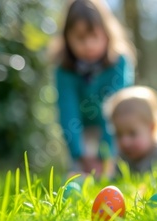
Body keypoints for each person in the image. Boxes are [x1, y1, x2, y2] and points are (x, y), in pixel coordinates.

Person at [49, 0, 136, 178]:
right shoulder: (64, 70)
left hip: (117, 131)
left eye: (94, 36)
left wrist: (103, 154)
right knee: (79, 174)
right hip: (84, 133)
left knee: (113, 170)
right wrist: (79, 154)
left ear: (107, 33)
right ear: (67, 38)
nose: (88, 44)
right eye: (80, 38)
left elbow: (116, 112)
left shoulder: (119, 63)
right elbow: (68, 113)